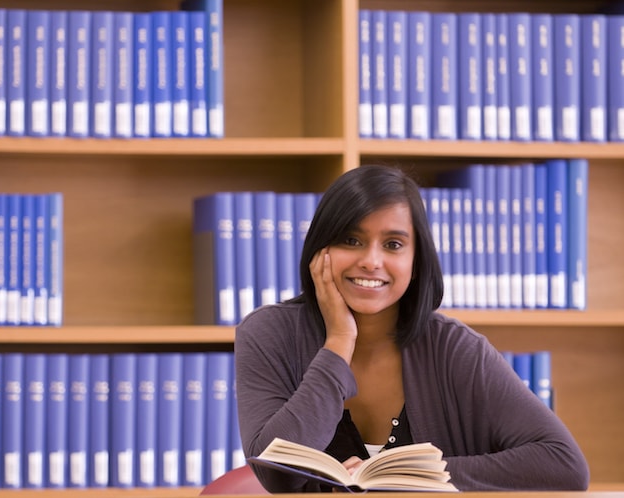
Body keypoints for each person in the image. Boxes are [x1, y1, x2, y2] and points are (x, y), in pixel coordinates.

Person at [234, 165, 589, 492]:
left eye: (393, 245)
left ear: (416, 263)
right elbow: (277, 473)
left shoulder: (453, 348)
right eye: (351, 240)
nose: (372, 261)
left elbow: (564, 465)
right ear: (320, 251)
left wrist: (410, 479)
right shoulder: (269, 334)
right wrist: (339, 342)